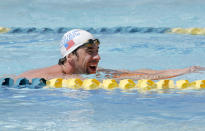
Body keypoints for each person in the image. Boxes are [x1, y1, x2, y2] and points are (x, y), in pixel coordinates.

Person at [17, 29, 205, 80]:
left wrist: (188, 70)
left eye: (98, 52)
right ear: (70, 57)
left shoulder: (85, 73)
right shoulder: (46, 78)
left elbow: (137, 74)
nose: (98, 58)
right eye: (90, 52)